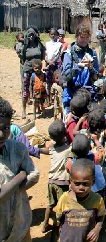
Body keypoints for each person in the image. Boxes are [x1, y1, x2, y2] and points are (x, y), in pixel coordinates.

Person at [0, 98, 39, 241]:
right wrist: (20, 176)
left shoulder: (18, 149)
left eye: (5, 128)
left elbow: (34, 174)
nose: (1, 134)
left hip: (20, 220)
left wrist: (10, 190)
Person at [54, 158, 106, 242]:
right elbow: (57, 220)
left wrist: (97, 229)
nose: (81, 188)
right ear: (71, 181)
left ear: (93, 182)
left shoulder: (97, 200)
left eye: (85, 184)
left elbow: (101, 216)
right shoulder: (64, 199)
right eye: (77, 183)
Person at [62, 24, 99, 115]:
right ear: (76, 36)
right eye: (82, 37)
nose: (84, 40)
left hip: (87, 92)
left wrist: (91, 69)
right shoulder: (69, 53)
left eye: (87, 38)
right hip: (72, 92)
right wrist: (79, 67)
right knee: (71, 121)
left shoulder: (92, 53)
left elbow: (96, 77)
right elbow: (65, 76)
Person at [41, 120, 70, 233]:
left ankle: (44, 224)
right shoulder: (69, 149)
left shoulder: (52, 149)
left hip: (51, 181)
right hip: (62, 183)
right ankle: (61, 228)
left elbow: (43, 150)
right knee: (62, 206)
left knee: (50, 204)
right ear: (65, 134)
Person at [21, 26, 46, 119]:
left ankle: (38, 108)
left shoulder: (39, 45)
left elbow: (43, 55)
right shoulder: (24, 46)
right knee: (25, 90)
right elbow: (22, 58)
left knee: (39, 88)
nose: (31, 37)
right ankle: (24, 110)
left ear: (35, 35)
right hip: (27, 69)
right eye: (29, 35)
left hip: (38, 70)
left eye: (32, 35)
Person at [45, 28, 62, 105]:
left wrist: (53, 61)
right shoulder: (47, 44)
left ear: (57, 36)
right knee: (48, 82)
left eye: (54, 34)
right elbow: (45, 55)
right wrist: (48, 61)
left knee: (56, 81)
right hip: (48, 65)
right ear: (49, 35)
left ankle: (55, 99)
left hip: (56, 65)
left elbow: (58, 54)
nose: (53, 36)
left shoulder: (59, 44)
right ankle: (48, 99)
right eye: (51, 34)